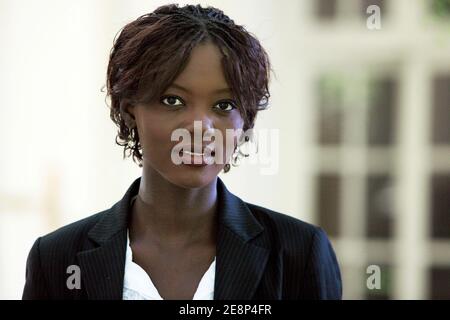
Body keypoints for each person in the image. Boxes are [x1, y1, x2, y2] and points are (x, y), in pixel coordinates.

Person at [22, 3, 342, 300]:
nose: (200, 127)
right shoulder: (56, 259)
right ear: (130, 108)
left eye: (223, 105)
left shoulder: (299, 254)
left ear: (245, 120)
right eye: (173, 100)